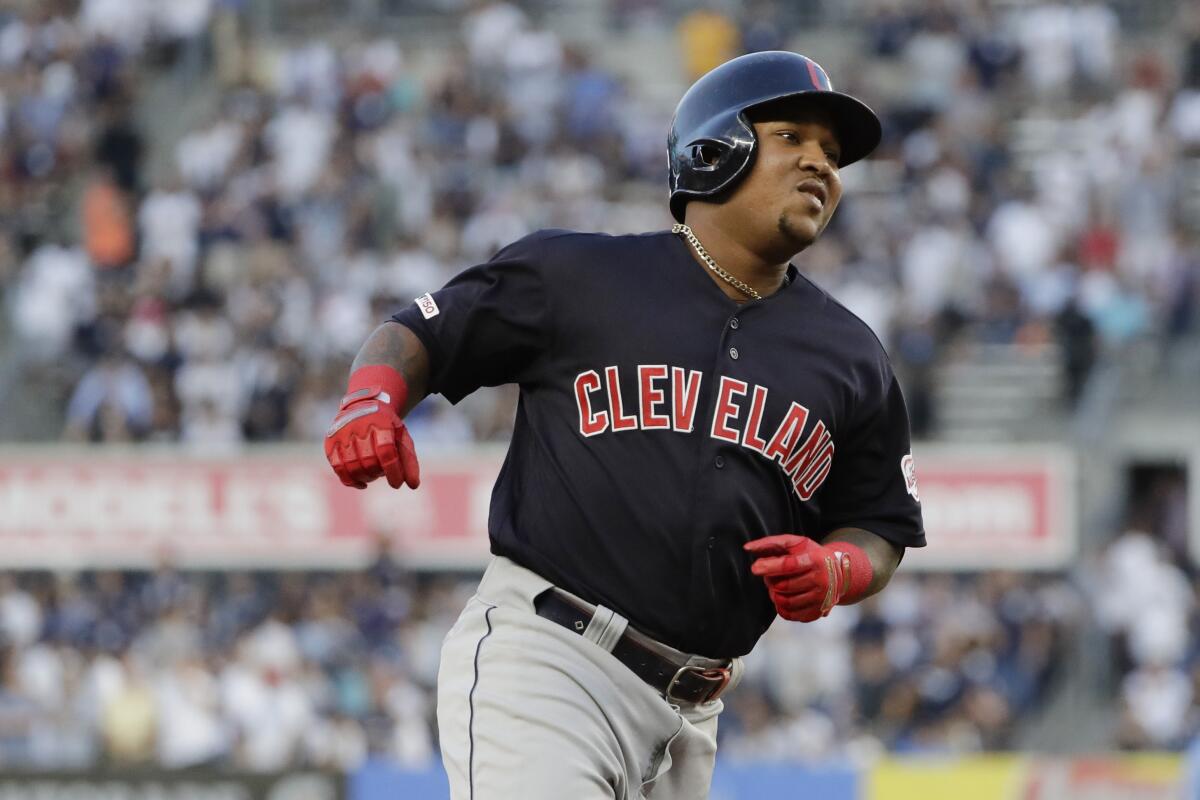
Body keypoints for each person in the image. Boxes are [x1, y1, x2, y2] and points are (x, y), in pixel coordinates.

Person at [324, 51, 925, 799]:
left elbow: (880, 523)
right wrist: (370, 399)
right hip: (551, 660)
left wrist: (840, 569)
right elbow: (424, 331)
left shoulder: (851, 353)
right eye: (793, 138)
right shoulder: (581, 275)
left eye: (833, 155)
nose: (822, 165)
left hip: (692, 715)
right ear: (714, 150)